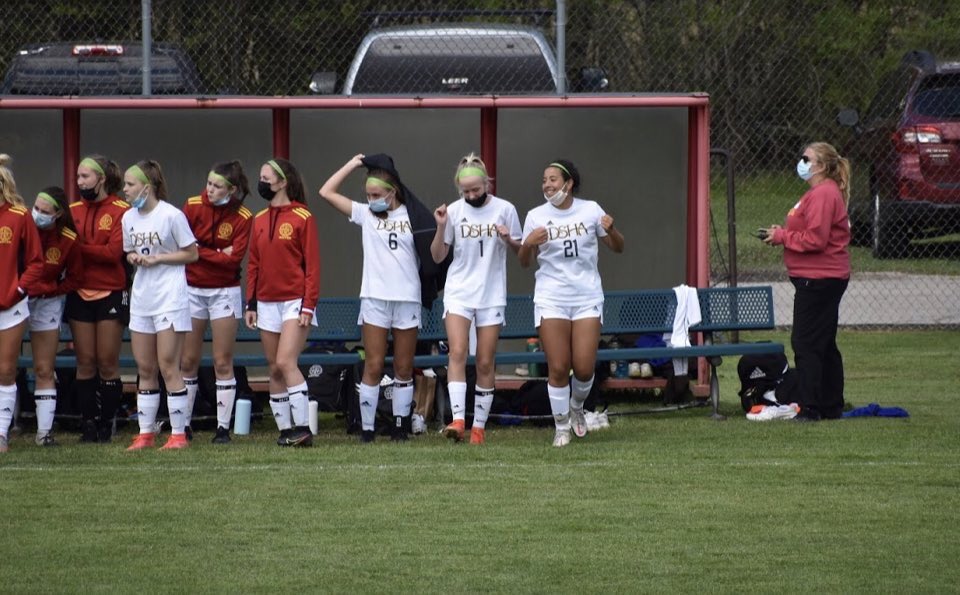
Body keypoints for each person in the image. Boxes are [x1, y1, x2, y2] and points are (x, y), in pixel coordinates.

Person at [320, 153, 440, 442]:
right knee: (373, 365)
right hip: (374, 298)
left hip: (407, 299)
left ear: (392, 192)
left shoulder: (414, 216)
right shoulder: (365, 214)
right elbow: (326, 192)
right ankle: (368, 428)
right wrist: (352, 164)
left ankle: (399, 426)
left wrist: (442, 225)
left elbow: (434, 255)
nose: (372, 199)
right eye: (368, 194)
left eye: (376, 194)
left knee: (403, 366)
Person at [519, 159, 624, 447]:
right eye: (544, 180)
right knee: (558, 366)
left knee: (584, 367)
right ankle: (561, 425)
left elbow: (618, 246)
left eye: (553, 179)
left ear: (569, 183)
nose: (547, 185)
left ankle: (577, 407)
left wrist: (611, 229)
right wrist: (528, 243)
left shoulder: (591, 210)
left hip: (586, 296)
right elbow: (524, 262)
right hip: (551, 297)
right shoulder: (535, 215)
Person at [431, 153, 521, 445]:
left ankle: (479, 428)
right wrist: (442, 225)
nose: (471, 195)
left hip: (491, 293)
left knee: (484, 361)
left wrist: (510, 239)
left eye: (476, 190)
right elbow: (437, 256)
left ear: (487, 184)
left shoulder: (506, 209)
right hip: (459, 290)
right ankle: (458, 420)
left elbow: (523, 254)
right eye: (465, 191)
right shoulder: (455, 212)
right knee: (457, 352)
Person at [761, 142, 851, 422]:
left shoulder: (824, 193)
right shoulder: (817, 193)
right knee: (823, 342)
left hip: (820, 279)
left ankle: (811, 407)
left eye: (806, 158)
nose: (800, 162)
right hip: (820, 278)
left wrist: (782, 238)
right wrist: (783, 232)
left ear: (821, 166)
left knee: (806, 343)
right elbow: (807, 229)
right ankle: (831, 403)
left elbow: (816, 239)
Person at [121, 160, 199, 451]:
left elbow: (192, 254)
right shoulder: (128, 218)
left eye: (130, 184)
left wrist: (158, 259)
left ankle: (178, 435)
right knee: (145, 367)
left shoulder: (171, 215)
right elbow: (129, 250)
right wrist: (134, 258)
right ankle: (146, 433)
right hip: (143, 298)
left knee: (169, 365)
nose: (125, 190)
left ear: (147, 186)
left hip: (170, 297)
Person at [244, 158, 318, 447]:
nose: (261, 183)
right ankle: (286, 430)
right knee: (274, 367)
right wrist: (251, 304)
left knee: (287, 361)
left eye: (266, 178)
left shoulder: (303, 217)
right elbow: (254, 264)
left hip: (294, 300)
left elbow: (312, 265)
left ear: (283, 182)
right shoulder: (259, 218)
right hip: (265, 302)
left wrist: (308, 305)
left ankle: (303, 429)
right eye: (260, 177)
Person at [180, 162, 253, 444]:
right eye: (209, 183)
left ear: (232, 190)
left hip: (224, 290)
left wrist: (200, 250)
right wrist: (213, 252)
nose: (210, 190)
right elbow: (184, 249)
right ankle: (183, 425)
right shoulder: (192, 205)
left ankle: (222, 429)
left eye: (217, 186)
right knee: (188, 360)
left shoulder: (243, 216)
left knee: (222, 361)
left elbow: (234, 261)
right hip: (192, 288)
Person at [66, 154, 130, 442]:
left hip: (110, 292)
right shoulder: (72, 210)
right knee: (85, 362)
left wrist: (79, 247)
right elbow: (64, 249)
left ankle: (108, 423)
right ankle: (88, 424)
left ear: (101, 179)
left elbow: (112, 253)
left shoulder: (120, 210)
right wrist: (87, 249)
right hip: (79, 292)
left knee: (107, 362)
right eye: (78, 177)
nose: (80, 182)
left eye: (85, 177)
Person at [26, 187, 84, 446]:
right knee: (4, 367)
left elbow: (75, 277)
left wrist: (51, 290)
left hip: (47, 303)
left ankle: (44, 433)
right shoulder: (22, 226)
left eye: (44, 211)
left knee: (44, 367)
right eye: (35, 208)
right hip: (14, 299)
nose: (37, 214)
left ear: (59, 213)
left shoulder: (68, 239)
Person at [0, 155, 44, 453]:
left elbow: (36, 262)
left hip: (11, 306)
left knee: (5, 369)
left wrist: (18, 288)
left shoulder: (19, 215)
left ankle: (1, 433)